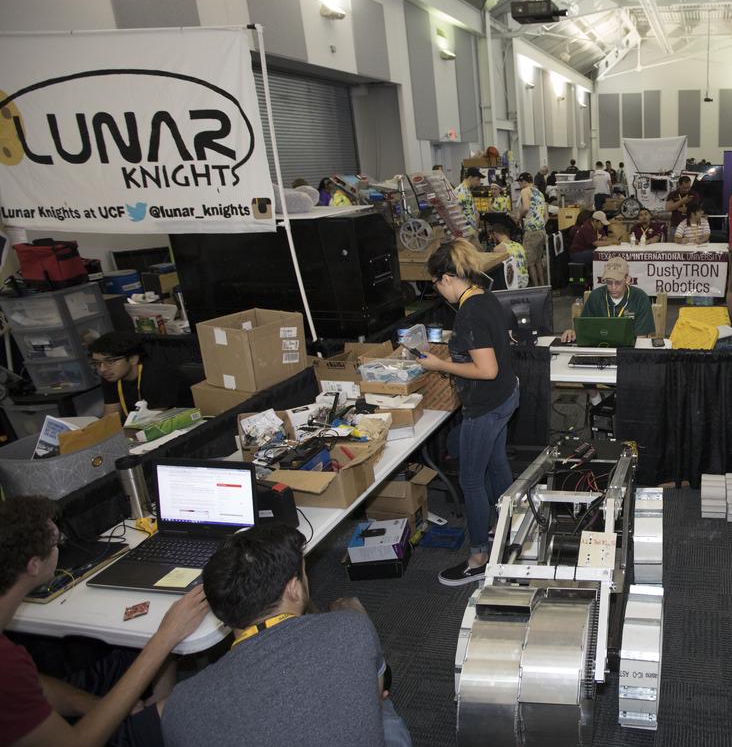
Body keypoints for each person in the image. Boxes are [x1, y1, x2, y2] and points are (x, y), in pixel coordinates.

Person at [160, 524, 409, 747]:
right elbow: (374, 693)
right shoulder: (352, 626)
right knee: (381, 706)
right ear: (293, 589)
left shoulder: (181, 706)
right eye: (304, 571)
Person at [0, 496, 209, 747]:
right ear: (33, 565)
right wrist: (166, 637)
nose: (60, 548)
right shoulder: (7, 662)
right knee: (185, 706)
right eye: (57, 544)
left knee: (123, 659)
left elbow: (28, 685)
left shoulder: (11, 665)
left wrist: (92, 704)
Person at [418, 240, 519, 585]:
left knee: (472, 479)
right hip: (505, 397)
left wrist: (440, 364)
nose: (437, 290)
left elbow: (486, 369)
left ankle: (478, 557)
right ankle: (510, 529)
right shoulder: (484, 296)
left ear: (446, 278)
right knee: (496, 463)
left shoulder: (468, 313)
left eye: (435, 283)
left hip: (486, 404)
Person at [91, 332, 193, 420]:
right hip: (144, 425)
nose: (102, 369)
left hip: (183, 424)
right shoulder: (111, 375)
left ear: (133, 359)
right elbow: (110, 417)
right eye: (97, 363)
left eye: (110, 361)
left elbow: (154, 421)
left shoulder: (158, 375)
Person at [561, 256, 655, 341]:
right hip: (600, 349)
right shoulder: (596, 296)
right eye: (609, 282)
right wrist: (573, 333)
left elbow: (641, 339)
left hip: (628, 352)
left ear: (627, 279)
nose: (613, 287)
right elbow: (583, 330)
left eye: (618, 282)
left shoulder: (640, 298)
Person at [516, 172, 548, 287]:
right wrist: (539, 224)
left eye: (520, 182)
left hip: (531, 232)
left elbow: (525, 207)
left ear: (524, 182)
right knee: (538, 260)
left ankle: (535, 287)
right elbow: (546, 216)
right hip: (541, 231)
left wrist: (519, 217)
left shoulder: (525, 191)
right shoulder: (539, 193)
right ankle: (543, 286)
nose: (519, 185)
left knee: (530, 262)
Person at [486, 215, 528, 289]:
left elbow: (496, 268)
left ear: (495, 233)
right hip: (525, 280)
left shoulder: (499, 248)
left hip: (514, 282)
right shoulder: (518, 245)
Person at [455, 167, 482, 233]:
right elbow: (461, 214)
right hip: (467, 232)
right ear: (470, 178)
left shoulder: (466, 190)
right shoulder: (461, 192)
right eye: (477, 179)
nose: (478, 183)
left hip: (471, 231)